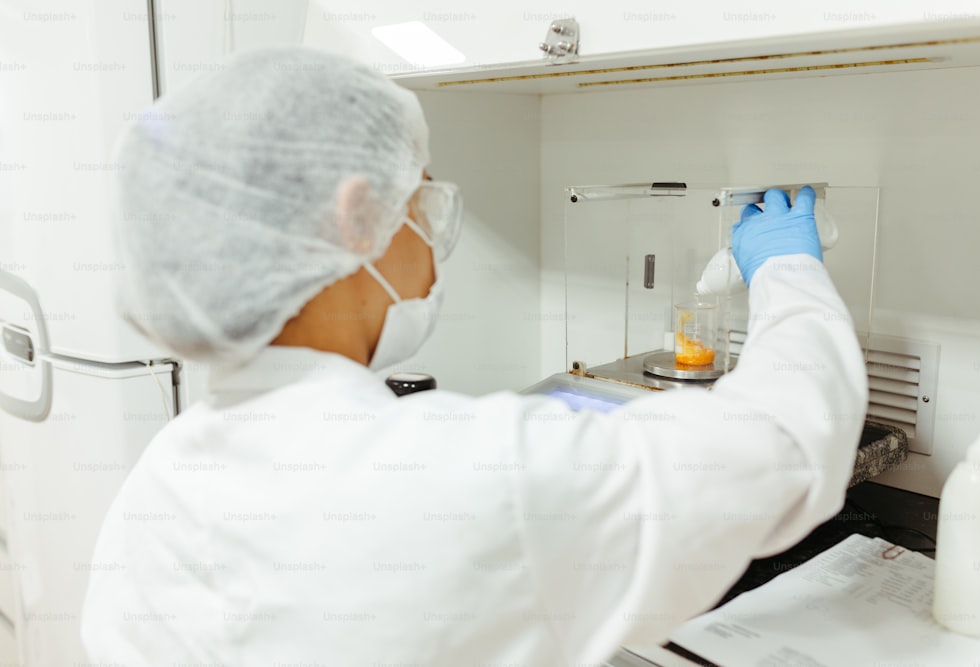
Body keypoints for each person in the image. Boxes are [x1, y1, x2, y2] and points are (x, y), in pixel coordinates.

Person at [81, 47, 867, 666]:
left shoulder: (161, 475)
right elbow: (790, 447)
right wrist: (785, 268)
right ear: (358, 217)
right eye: (417, 200)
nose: (429, 235)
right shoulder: (468, 479)